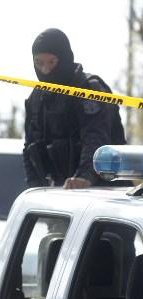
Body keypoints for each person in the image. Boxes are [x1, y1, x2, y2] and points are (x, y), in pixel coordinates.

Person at [24, 28, 126, 189]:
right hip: (59, 193)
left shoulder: (89, 90)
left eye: (52, 62)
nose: (45, 70)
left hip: (106, 192)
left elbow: (96, 137)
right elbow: (30, 148)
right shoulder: (36, 99)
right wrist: (35, 188)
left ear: (64, 58)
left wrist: (84, 177)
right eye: (39, 63)